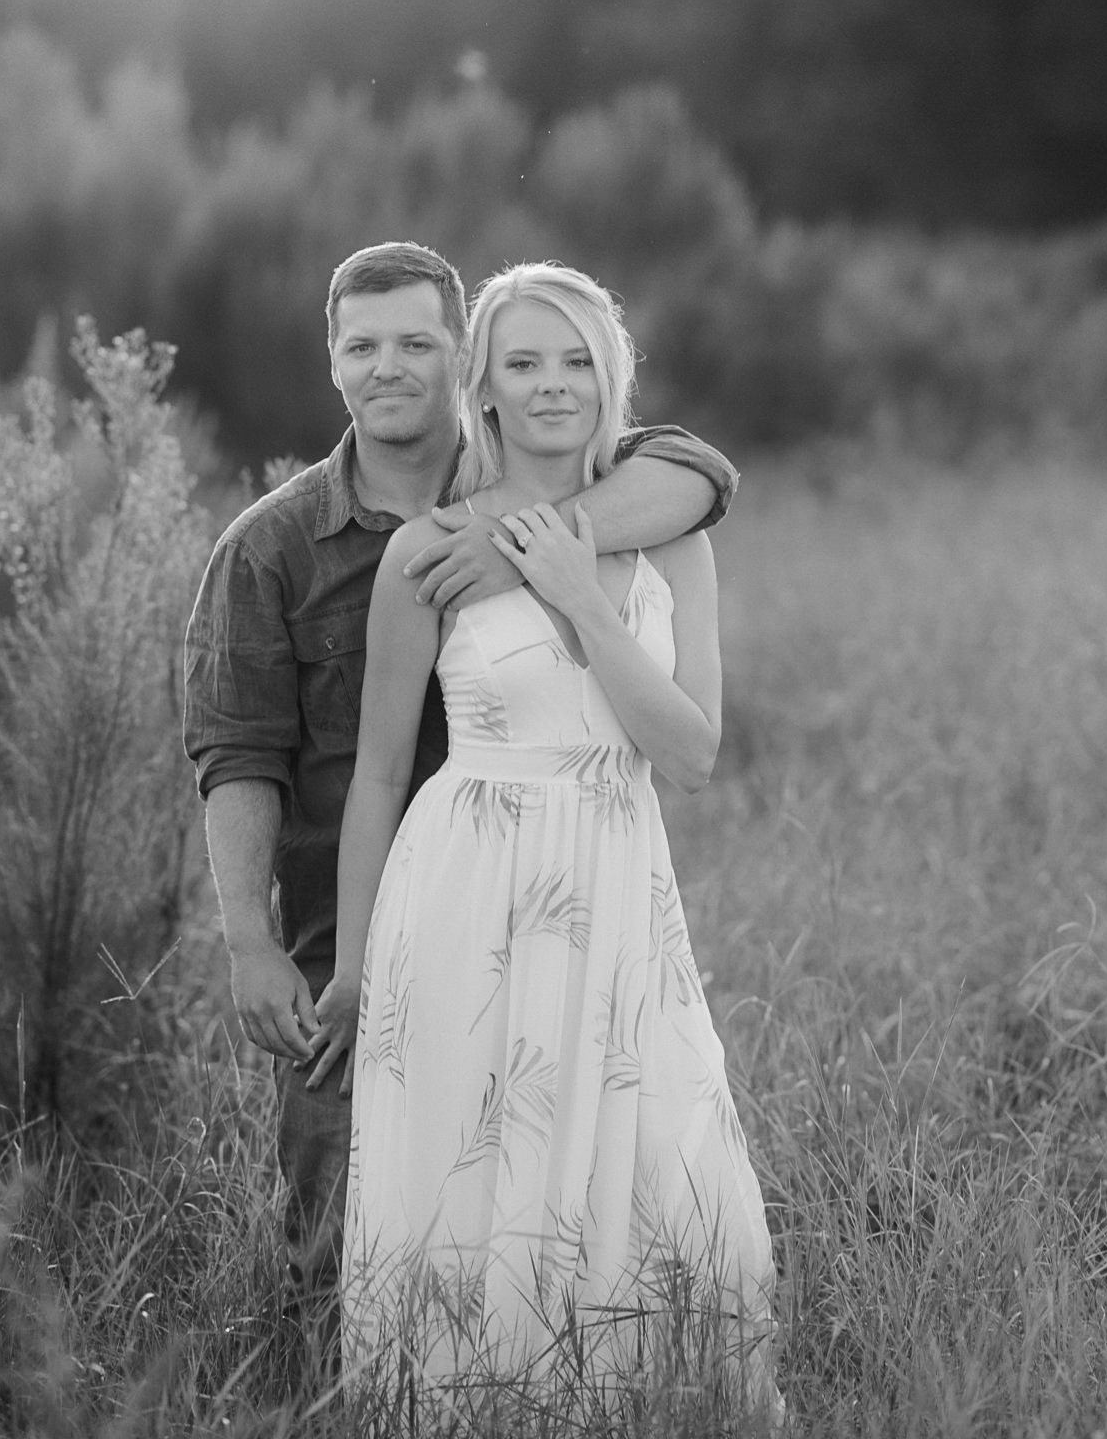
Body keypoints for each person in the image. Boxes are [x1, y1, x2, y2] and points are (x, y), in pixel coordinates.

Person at [182, 242, 738, 1320]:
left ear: (455, 364)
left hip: (592, 875)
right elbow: (240, 754)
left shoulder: (611, 491)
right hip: (371, 898)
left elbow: (703, 471)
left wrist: (537, 545)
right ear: (332, 363)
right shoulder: (274, 549)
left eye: (416, 343)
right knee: (359, 1200)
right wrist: (252, 941)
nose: (388, 366)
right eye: (361, 346)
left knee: (607, 1170)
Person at [310, 263, 779, 1418]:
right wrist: (358, 967)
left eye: (576, 360)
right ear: (487, 388)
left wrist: (575, 589)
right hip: (468, 887)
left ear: (612, 377)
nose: (553, 386)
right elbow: (377, 774)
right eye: (523, 362)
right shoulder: (425, 555)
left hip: (620, 884)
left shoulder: (673, 539)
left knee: (667, 1167)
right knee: (476, 1192)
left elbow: (695, 757)